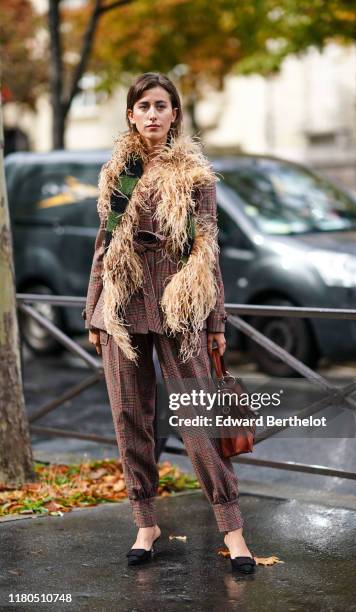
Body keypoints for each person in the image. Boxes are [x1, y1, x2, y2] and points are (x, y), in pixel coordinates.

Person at [83, 72, 255, 574]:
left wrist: (216, 320)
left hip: (180, 310)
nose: (153, 114)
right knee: (129, 418)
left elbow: (208, 249)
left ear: (175, 115)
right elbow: (104, 245)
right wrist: (93, 309)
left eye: (162, 105)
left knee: (199, 422)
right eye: (144, 106)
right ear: (131, 115)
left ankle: (233, 529)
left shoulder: (195, 175)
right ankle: (145, 523)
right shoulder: (120, 172)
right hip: (121, 309)